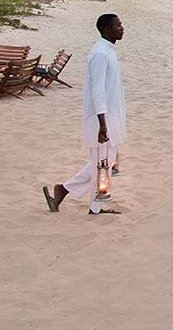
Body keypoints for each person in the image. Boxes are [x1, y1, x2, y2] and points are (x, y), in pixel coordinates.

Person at [43, 13, 126, 216]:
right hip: (103, 120)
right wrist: (102, 125)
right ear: (107, 29)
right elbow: (97, 92)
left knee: (102, 164)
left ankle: (64, 191)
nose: (122, 28)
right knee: (102, 165)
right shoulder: (99, 54)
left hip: (112, 117)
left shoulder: (108, 51)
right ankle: (92, 207)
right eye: (118, 25)